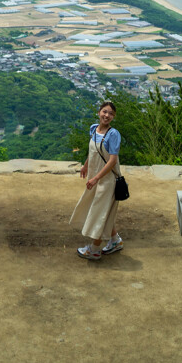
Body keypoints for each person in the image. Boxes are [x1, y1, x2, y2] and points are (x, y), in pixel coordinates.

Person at [70, 101, 124, 260]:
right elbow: (93, 151)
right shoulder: (94, 129)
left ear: (113, 117)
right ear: (99, 112)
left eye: (110, 113)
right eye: (104, 112)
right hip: (95, 177)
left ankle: (94, 249)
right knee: (103, 211)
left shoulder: (113, 134)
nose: (107, 115)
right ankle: (115, 241)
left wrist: (95, 178)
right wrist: (86, 166)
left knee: (100, 212)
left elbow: (112, 160)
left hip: (107, 181)